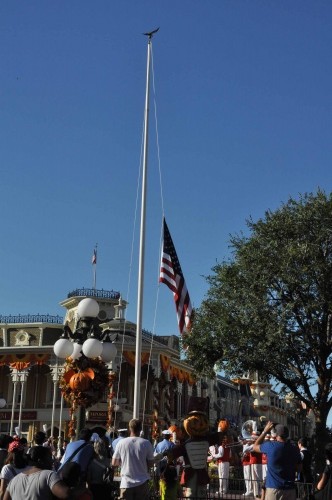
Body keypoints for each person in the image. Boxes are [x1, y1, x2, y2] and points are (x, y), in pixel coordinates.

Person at [252, 421, 301, 500]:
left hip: (273, 488)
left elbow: (255, 446)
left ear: (277, 435)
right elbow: (299, 468)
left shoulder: (271, 446)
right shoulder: (295, 449)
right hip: (290, 489)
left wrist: (265, 431)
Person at [3, 445, 70, 500]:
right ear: (40, 460)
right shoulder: (49, 475)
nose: (52, 461)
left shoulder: (14, 480)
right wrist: (79, 489)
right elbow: (66, 494)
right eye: (50, 458)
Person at [112, 418, 155, 499]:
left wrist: (123, 461)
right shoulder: (146, 443)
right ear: (140, 429)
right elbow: (151, 464)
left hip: (126, 483)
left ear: (129, 428)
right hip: (142, 482)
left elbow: (114, 463)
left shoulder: (121, 443)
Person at [154, 430, 177, 500]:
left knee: (159, 479)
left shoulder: (159, 444)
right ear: (169, 436)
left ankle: (159, 493)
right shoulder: (172, 445)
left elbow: (155, 455)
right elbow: (175, 456)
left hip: (161, 465)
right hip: (170, 466)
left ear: (163, 436)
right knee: (171, 482)